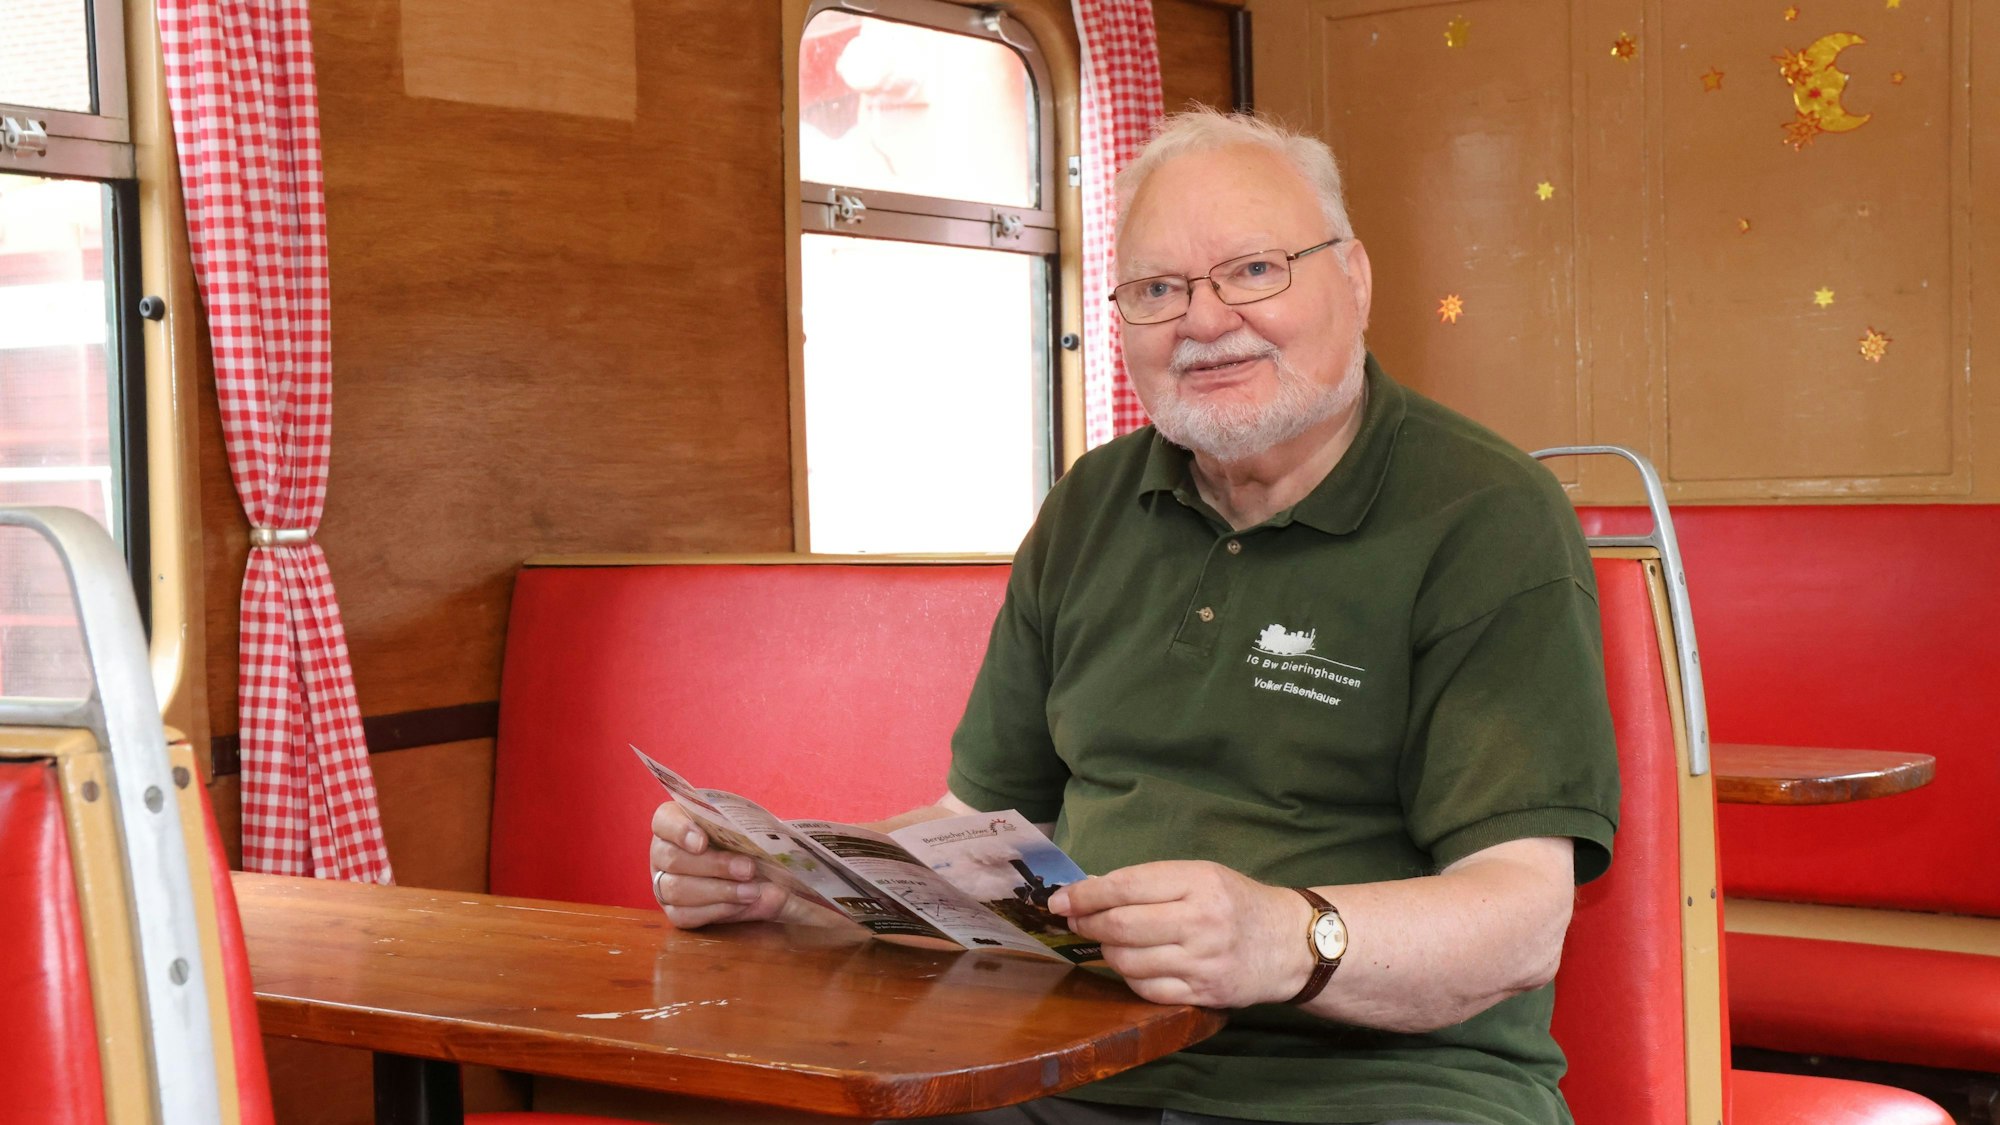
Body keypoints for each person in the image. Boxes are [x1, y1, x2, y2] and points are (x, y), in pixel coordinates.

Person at [650, 108, 1620, 1125]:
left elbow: (1517, 917)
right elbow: (979, 830)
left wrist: (1282, 937)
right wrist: (794, 879)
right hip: (1062, 1062)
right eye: (1157, 290)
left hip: (1379, 1089)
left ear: (1356, 279)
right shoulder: (1089, 502)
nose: (1201, 323)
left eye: (1252, 271)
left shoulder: (1485, 515)